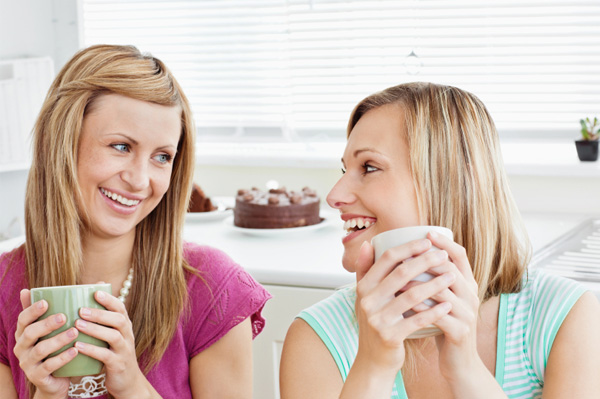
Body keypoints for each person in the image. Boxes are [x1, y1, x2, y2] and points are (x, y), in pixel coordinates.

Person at [280, 82, 600, 398]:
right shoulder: (318, 338)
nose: (335, 196)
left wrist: (466, 370)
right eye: (344, 169)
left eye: (369, 167)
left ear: (459, 181)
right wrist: (372, 370)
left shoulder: (565, 318)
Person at [0, 44, 271, 399]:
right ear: (61, 144)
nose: (141, 180)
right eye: (122, 146)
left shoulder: (213, 288)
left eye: (162, 156)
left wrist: (132, 386)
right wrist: (48, 394)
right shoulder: (5, 288)